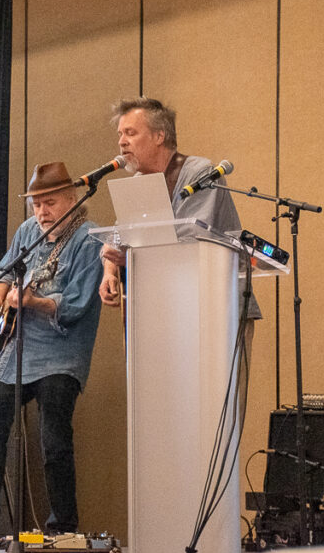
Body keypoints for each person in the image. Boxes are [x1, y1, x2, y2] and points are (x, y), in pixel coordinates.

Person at [0, 161, 104, 541]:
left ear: (73, 199)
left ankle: (63, 528)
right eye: (36, 204)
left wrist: (32, 301)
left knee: (54, 438)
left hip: (61, 354)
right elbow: (4, 273)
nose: (41, 212)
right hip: (16, 350)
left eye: (50, 203)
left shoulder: (90, 238)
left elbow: (76, 305)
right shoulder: (28, 230)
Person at [99, 97, 260, 418]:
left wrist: (129, 254)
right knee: (168, 419)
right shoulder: (138, 183)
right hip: (167, 317)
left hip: (217, 310)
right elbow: (119, 234)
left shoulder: (199, 172)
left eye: (130, 132)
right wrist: (108, 268)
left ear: (159, 136)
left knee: (214, 419)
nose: (121, 141)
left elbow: (190, 238)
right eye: (120, 134)